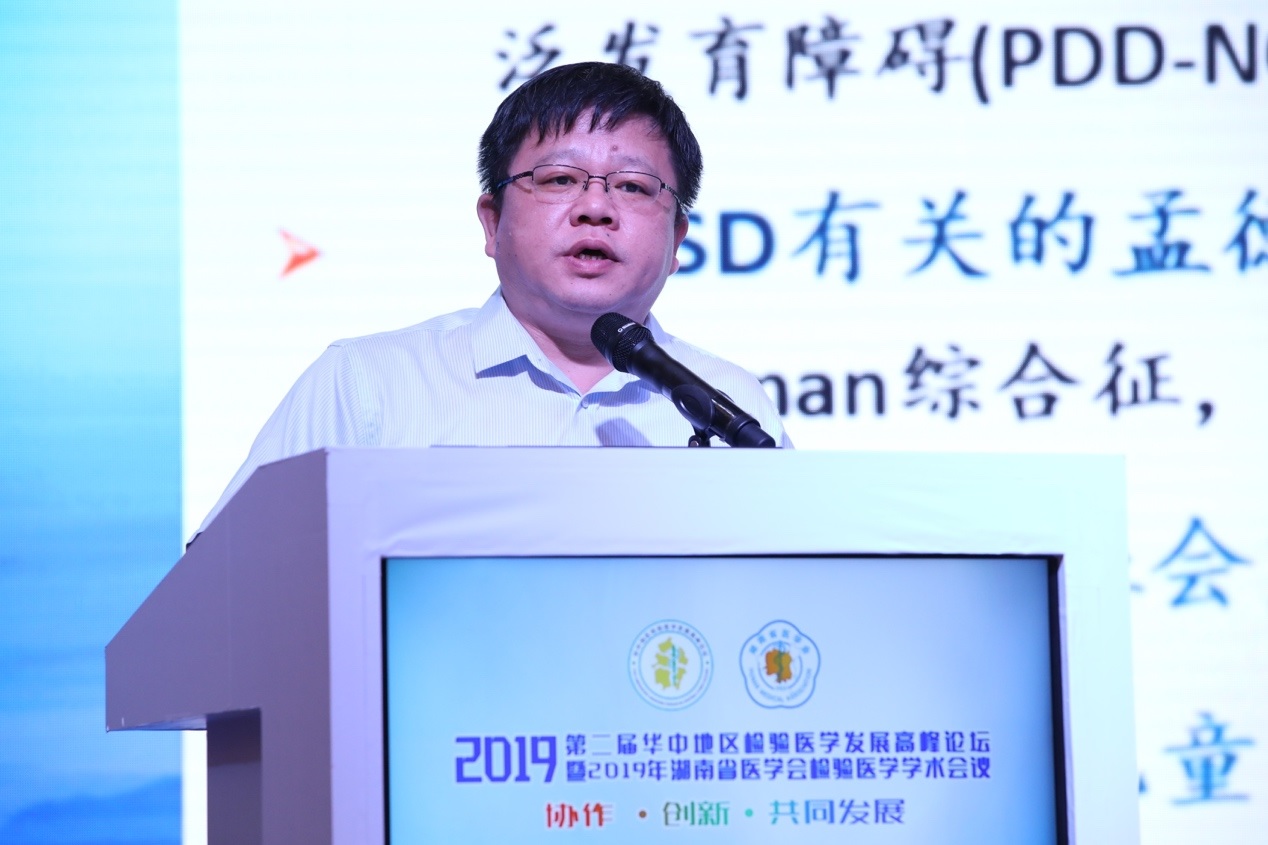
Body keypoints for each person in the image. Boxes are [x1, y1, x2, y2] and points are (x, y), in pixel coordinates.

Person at [196, 61, 790, 535]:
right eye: (559, 179)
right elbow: (222, 583)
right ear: (492, 221)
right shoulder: (366, 383)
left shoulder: (733, 406)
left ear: (677, 239)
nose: (596, 207)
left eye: (633, 187)